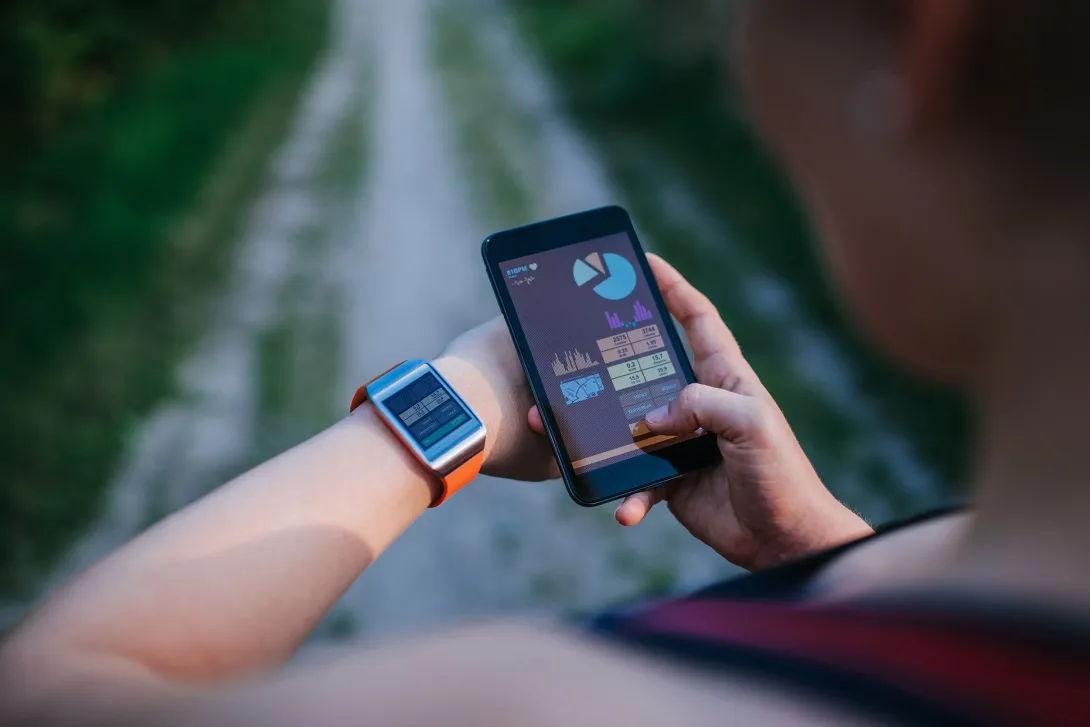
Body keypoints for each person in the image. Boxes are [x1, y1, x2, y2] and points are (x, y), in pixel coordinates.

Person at [3, 0, 1090, 724]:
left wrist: (460, 396)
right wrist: (829, 549)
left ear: (920, 46)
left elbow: (47, 688)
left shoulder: (532, 703)